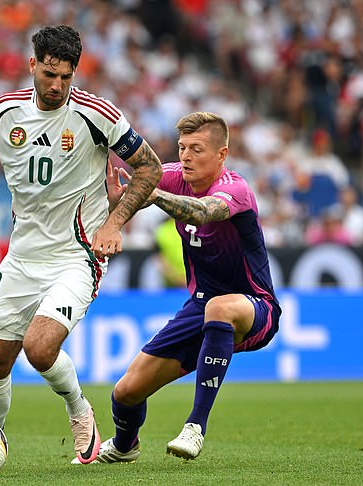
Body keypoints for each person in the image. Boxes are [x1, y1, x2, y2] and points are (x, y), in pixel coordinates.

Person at [0, 25, 162, 464]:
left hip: (77, 255)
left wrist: (115, 223)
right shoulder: (4, 112)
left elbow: (150, 167)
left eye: (66, 77)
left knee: (41, 346)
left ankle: (79, 408)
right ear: (33, 65)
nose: (57, 86)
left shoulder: (96, 114)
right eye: (49, 74)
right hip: (23, 255)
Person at [80, 111, 281, 463]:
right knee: (126, 392)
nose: (185, 156)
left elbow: (203, 212)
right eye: (181, 147)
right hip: (200, 305)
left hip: (255, 306)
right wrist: (118, 205)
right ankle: (125, 446)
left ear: (221, 155)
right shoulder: (172, 176)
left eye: (197, 149)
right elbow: (138, 192)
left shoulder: (235, 189)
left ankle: (195, 427)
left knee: (219, 307)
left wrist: (153, 194)